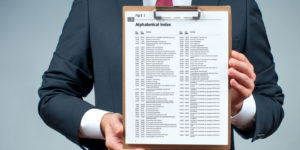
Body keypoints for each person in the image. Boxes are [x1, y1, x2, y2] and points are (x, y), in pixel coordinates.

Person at [38, 0, 284, 150]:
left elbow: (270, 102)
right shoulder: (96, 3)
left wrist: (237, 107)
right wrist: (104, 124)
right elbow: (54, 94)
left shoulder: (239, 3)